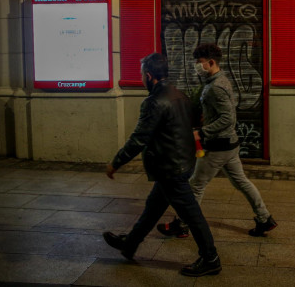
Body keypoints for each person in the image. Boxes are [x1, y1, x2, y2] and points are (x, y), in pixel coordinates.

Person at [102, 53, 221, 277]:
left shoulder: (154, 101)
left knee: (192, 215)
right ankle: (130, 244)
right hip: (180, 163)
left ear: (149, 76)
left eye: (141, 76)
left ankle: (211, 257)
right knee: (153, 208)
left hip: (170, 169)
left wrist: (116, 163)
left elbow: (139, 138)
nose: (141, 80)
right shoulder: (180, 95)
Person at [157, 43, 277, 239]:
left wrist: (203, 132)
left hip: (218, 145)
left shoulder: (216, 87)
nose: (197, 65)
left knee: (195, 185)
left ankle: (182, 223)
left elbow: (228, 118)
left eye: (199, 62)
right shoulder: (218, 81)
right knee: (241, 182)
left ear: (211, 62)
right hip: (228, 144)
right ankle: (264, 218)